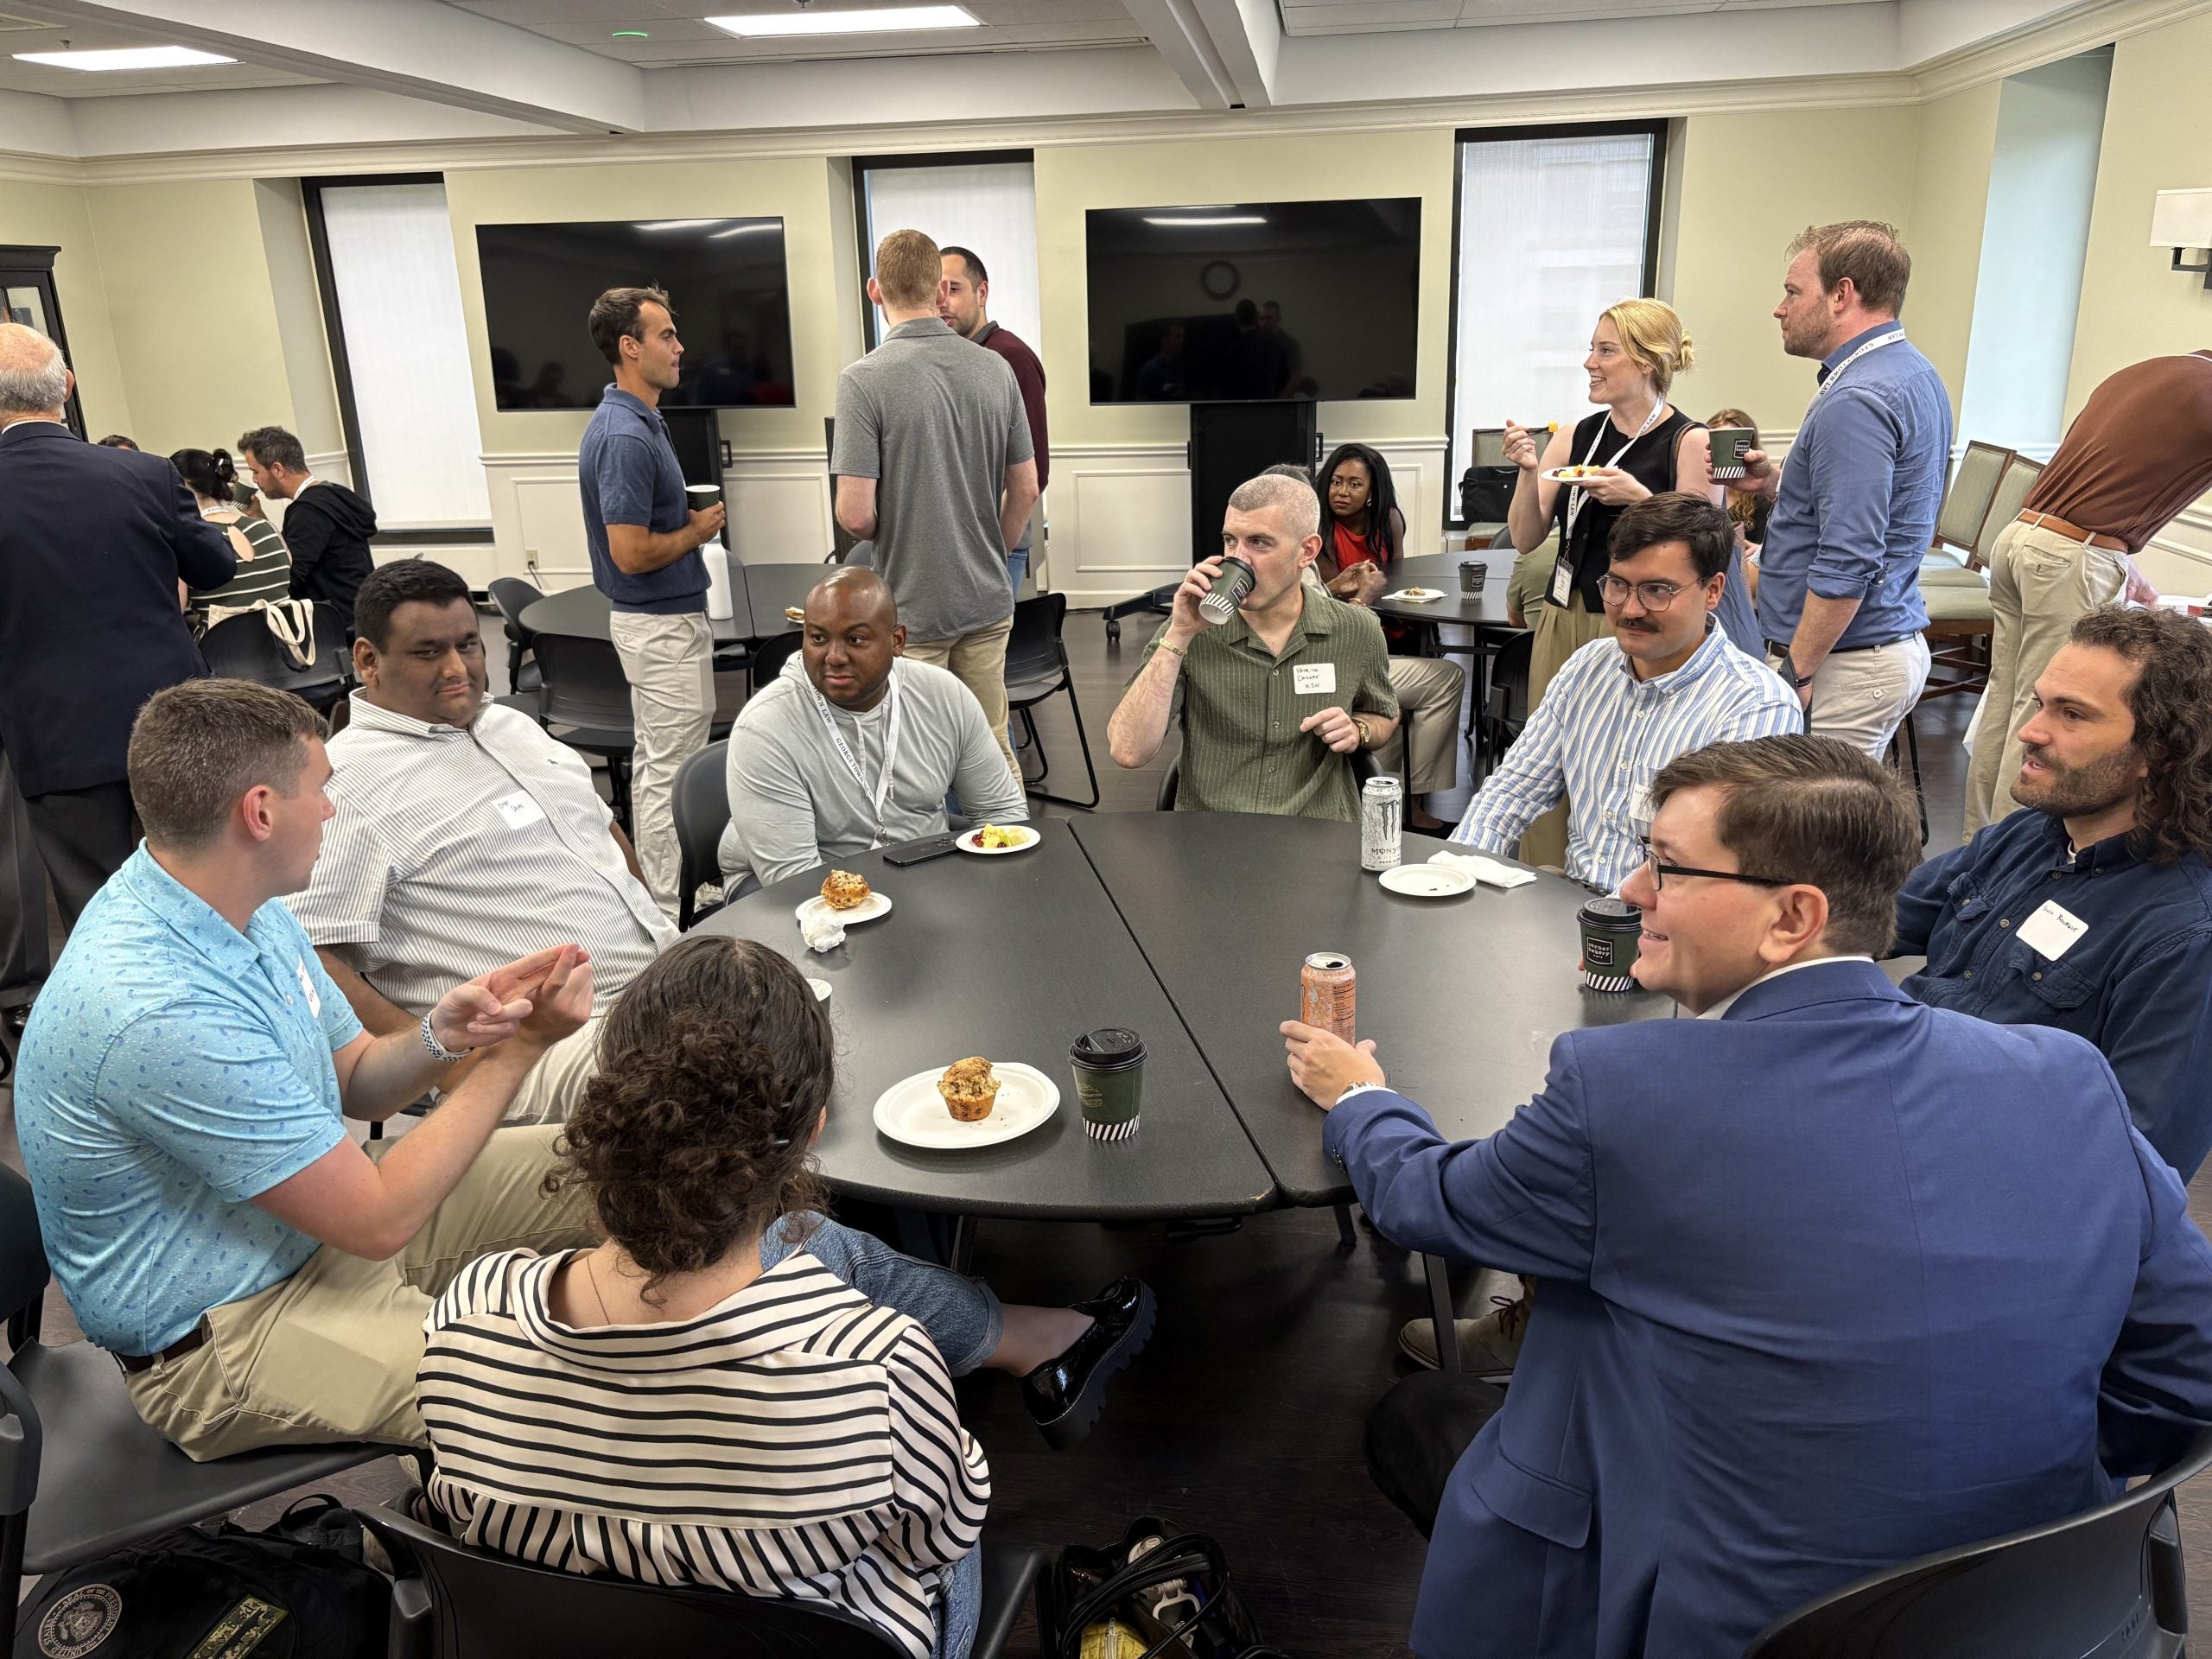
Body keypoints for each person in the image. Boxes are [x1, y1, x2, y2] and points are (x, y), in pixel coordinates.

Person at [1284, 733, 2212, 1659]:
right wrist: (1992, 1455)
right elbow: (2185, 1373)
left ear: (1791, 917)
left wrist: (1360, 1096)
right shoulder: (2066, 1079)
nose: (1631, 893)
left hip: (1723, 1623)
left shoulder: (1627, 1093)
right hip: (2045, 1616)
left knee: (1419, 1415)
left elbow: (1425, 1203)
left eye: (1666, 868)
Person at [420, 937, 1158, 1658]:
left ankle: (1030, 1339)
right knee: (813, 1251)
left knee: (810, 1240)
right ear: (812, 1132)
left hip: (567, 1632)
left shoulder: (464, 1313)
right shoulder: (877, 1371)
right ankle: (1038, 1343)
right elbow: (940, 1538)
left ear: (614, 1098)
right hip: (832, 1630)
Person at [13, 678, 599, 1459]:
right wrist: (515, 1052)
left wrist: (443, 1036)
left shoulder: (238, 905)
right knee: (574, 1399)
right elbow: (379, 1221)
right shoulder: (155, 1004)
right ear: (259, 812)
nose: (330, 811)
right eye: (321, 791)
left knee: (616, 1160)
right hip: (225, 1341)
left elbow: (356, 1075)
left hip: (312, 1237)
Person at [289, 559, 676, 1126]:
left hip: (658, 984)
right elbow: (306, 952)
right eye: (428, 652)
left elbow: (603, 826)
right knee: (715, 1078)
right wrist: (434, 1059)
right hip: (535, 1045)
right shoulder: (348, 784)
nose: (458, 669)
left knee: (792, 1006)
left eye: (469, 645)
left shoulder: (510, 725)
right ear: (368, 660)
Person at [1897, 607, 2212, 1177]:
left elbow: (2139, 1163)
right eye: (2042, 703)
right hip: (1894, 1097)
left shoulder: (2185, 936)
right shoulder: (2037, 830)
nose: (2031, 731)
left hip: (1971, 1173)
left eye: (2072, 715)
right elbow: (1873, 918)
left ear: (2159, 754)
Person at [0, 324, 234, 930]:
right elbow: (215, 566)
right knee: (212, 880)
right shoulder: (148, 474)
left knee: (98, 904)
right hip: (172, 711)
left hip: (53, 729)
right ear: (68, 388)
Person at [1449, 490, 1800, 892]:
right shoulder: (1587, 667)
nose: (1630, 609)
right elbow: (1511, 793)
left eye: (1657, 591)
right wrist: (1456, 879)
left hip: (1670, 929)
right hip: (1574, 905)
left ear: (1713, 591)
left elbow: (1718, 872)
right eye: (1618, 585)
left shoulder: (1756, 705)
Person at [1502, 299, 1715, 868]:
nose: (1589, 363)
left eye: (1605, 351)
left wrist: (1640, 500)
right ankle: (1541, 880)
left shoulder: (1689, 443)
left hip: (1639, 627)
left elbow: (1703, 546)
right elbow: (1525, 537)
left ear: (1646, 362)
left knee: (1623, 763)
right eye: (1591, 349)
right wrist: (1528, 471)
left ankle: (1618, 892)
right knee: (1546, 759)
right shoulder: (1574, 436)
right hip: (1564, 617)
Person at [1963, 351, 2212, 835]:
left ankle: (1977, 844)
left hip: (2021, 537)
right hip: (2071, 556)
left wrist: (2118, 560)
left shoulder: (2150, 370)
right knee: (2051, 715)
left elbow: (2104, 478)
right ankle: (2010, 857)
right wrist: (2103, 555)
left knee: (2009, 697)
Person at [1726, 222, 1948, 756]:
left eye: (1792, 292)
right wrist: (1784, 485)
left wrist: (1796, 672)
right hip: (1865, 648)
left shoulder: (1857, 397)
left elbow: (1849, 557)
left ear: (1842, 294)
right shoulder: (1909, 370)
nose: (1780, 309)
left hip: (1840, 664)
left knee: (1812, 837)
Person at [837, 231, 1037, 783]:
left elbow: (854, 516)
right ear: (938, 291)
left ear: (876, 291)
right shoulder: (995, 368)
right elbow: (1026, 487)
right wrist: (990, 552)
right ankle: (1009, 850)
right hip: (986, 598)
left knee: (918, 759)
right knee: (990, 742)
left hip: (913, 606)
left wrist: (893, 518)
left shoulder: (862, 381)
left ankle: (936, 866)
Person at [1106, 473, 1398, 820]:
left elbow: (1384, 714)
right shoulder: (1189, 631)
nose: (1239, 559)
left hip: (1320, 836)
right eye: (1230, 541)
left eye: (1259, 542)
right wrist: (1179, 635)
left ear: (1307, 551)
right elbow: (1128, 751)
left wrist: (1358, 730)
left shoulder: (1356, 629)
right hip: (1214, 836)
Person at [721, 569, 1027, 890]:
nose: (834, 657)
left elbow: (1002, 811)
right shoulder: (765, 727)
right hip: (790, 887)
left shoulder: (944, 695)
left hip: (917, 870)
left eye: (855, 639)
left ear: (897, 641)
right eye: (818, 638)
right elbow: (793, 880)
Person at [575, 286, 727, 918]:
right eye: (666, 335)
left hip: (666, 620)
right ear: (629, 347)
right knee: (672, 769)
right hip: (658, 624)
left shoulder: (642, 421)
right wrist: (697, 530)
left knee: (667, 759)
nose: (679, 345)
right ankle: (671, 906)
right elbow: (630, 553)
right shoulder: (625, 437)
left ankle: (676, 885)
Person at [1311, 447, 1465, 828]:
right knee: (1428, 686)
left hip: (1386, 635)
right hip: (1344, 647)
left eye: (1354, 484)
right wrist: (1362, 594)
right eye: (1335, 482)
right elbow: (1326, 613)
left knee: (1399, 692)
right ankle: (1397, 805)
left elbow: (1396, 582)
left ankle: (1396, 801)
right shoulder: (1320, 533)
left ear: (1372, 493)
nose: (1341, 492)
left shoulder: (1389, 520)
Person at [938, 245, 1048, 599]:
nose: (942, 302)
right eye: (935, 291)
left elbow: (1035, 472)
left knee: (994, 654)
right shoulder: (950, 358)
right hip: (959, 546)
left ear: (982, 292)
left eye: (953, 289)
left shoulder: (1010, 356)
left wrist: (995, 549)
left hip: (998, 546)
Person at [237, 425, 378, 635]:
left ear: (277, 469)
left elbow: (289, 576)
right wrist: (259, 517)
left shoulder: (308, 511)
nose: (256, 481)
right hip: (359, 613)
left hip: (335, 627)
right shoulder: (332, 495)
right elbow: (293, 555)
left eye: (256, 472)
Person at [171, 447, 293, 626]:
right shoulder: (267, 528)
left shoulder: (186, 540)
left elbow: (174, 611)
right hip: (287, 646)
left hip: (221, 652)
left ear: (181, 487)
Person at [1703, 404, 1767, 658]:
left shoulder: (1760, 499)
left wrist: (1758, 551)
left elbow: (1765, 550)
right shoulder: (1702, 493)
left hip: (1746, 588)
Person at [1136, 322, 1187, 401]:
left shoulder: (1179, 366)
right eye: (1178, 336)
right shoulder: (1150, 369)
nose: (1182, 340)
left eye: (1182, 337)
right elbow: (1141, 401)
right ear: (1164, 340)